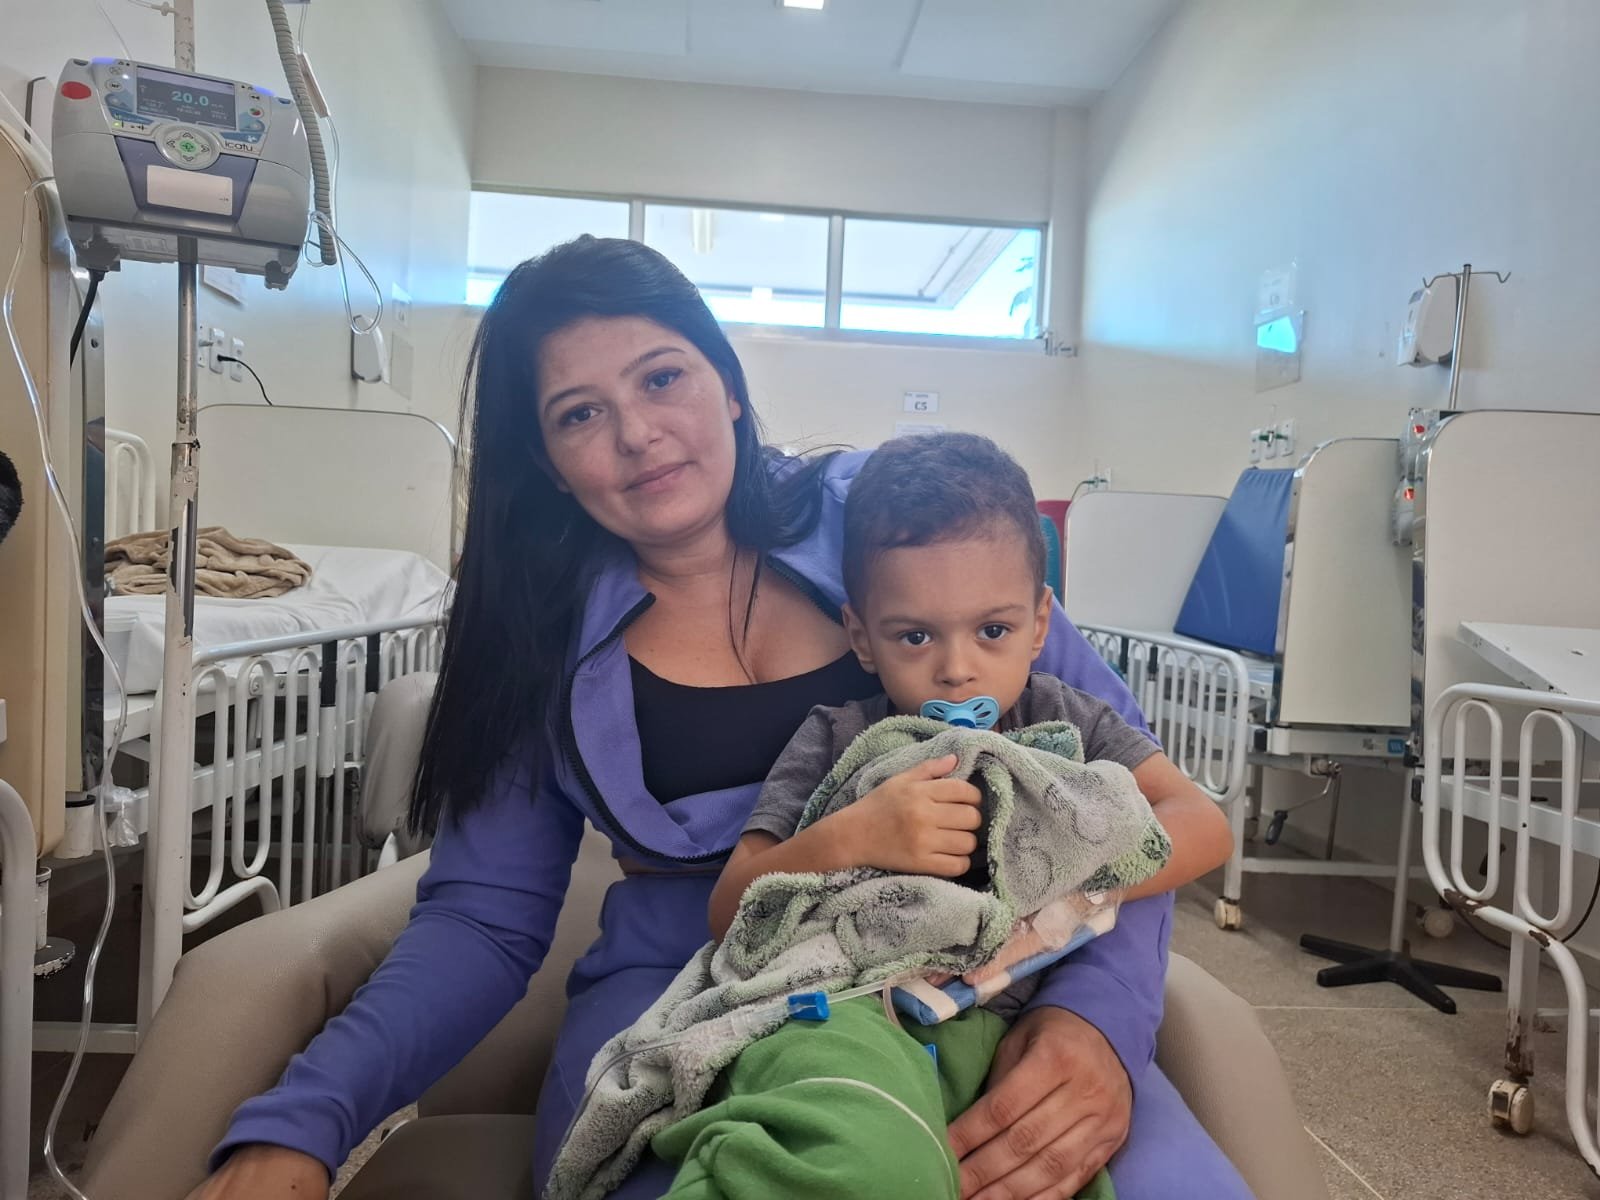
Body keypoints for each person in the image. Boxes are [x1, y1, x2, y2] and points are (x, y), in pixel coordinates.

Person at [189, 236, 1253, 1200]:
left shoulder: (910, 525)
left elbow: (1116, 804)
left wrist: (1094, 1022)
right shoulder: (533, 631)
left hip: (990, 978)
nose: (639, 435)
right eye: (579, 414)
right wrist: (305, 1123)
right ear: (547, 461)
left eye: (662, 378)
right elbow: (483, 920)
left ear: (728, 385)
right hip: (689, 998)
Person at [629, 433, 1232, 1199]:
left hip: (1002, 1026)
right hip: (846, 1015)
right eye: (915, 636)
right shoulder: (838, 740)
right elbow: (731, 908)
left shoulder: (1071, 722)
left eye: (993, 631)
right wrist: (853, 835)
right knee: (859, 1162)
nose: (956, 668)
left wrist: (1053, 876)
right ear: (861, 637)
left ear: (1040, 624)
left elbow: (1204, 825)